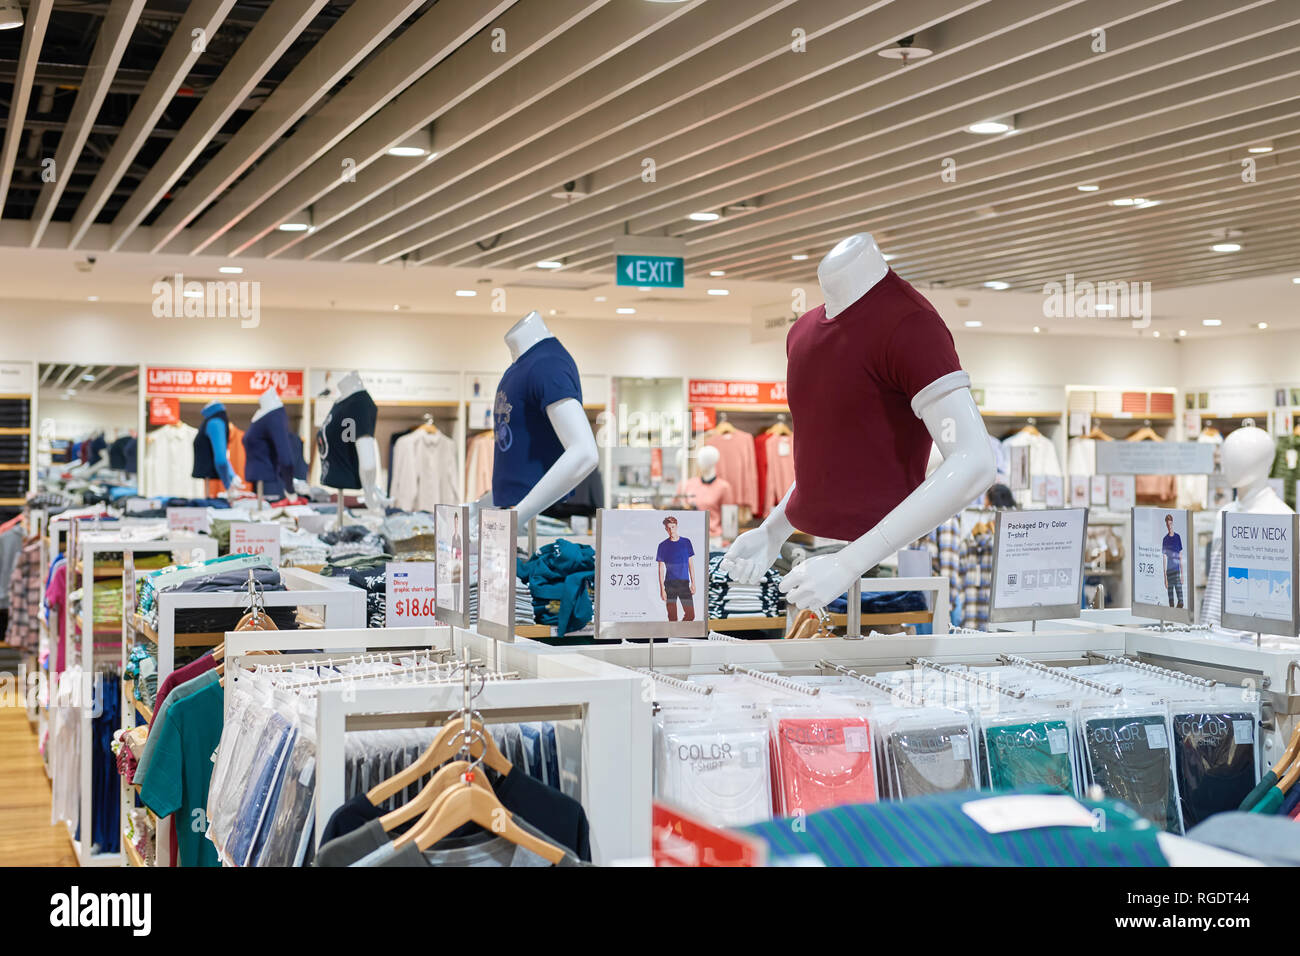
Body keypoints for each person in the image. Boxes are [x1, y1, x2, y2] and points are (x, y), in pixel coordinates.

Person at [655, 515, 696, 622]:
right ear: (665, 529)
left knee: (690, 614)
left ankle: (680, 635)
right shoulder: (662, 545)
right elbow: (660, 569)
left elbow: (690, 564)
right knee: (672, 617)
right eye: (668, 528)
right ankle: (674, 637)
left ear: (676, 526)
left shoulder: (686, 542)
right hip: (669, 585)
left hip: (684, 583)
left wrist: (693, 583)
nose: (671, 530)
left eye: (673, 527)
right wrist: (662, 590)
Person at [1162, 513, 1184, 608]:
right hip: (1169, 571)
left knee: (1181, 600)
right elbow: (1164, 558)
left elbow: (1180, 556)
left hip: (1176, 570)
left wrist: (1182, 574)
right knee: (1170, 600)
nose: (1169, 526)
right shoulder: (1165, 539)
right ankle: (1172, 619)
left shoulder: (1177, 537)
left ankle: (1178, 617)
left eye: (1170, 524)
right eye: (1167, 524)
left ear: (1172, 523)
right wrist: (1165, 578)